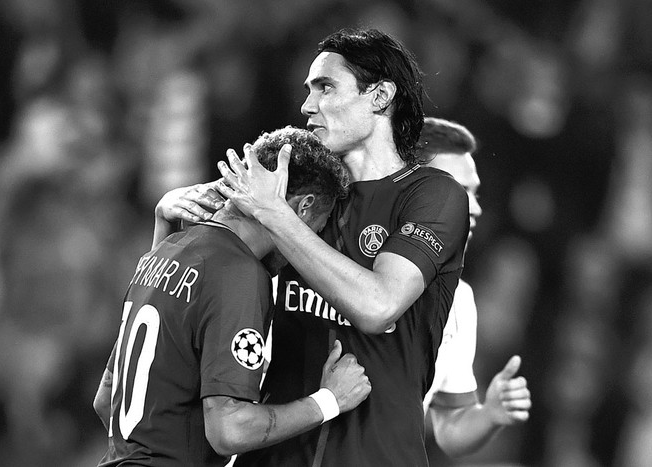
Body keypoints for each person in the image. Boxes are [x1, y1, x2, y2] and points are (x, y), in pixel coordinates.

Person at [155, 28, 469, 466]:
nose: (307, 106)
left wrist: (275, 216)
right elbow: (182, 306)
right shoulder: (299, 195)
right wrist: (168, 225)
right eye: (308, 90)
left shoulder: (432, 195)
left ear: (379, 96)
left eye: (326, 87)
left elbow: (378, 306)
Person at [93, 126, 372, 467]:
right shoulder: (238, 272)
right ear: (303, 207)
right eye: (315, 229)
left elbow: (106, 399)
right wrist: (329, 400)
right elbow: (230, 430)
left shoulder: (164, 251)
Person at [418, 117, 531, 458]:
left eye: (475, 192)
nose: (477, 207)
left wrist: (490, 415)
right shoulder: (338, 268)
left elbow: (450, 429)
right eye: (461, 190)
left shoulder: (460, 300)